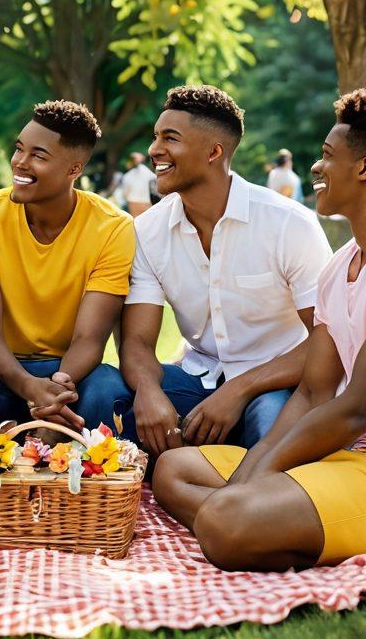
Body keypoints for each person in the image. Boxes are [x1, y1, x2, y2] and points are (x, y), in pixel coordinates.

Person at [153, 88, 366, 571]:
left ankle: (246, 522)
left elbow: (356, 410)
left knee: (225, 522)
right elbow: (312, 391)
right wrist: (254, 473)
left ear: (365, 169)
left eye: (328, 156)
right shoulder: (342, 266)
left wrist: (252, 481)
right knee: (172, 470)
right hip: (349, 457)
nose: (315, 167)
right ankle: (259, 518)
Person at [117, 86, 332, 460]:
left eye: (170, 138)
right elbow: (136, 341)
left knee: (272, 434)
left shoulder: (289, 224)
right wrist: (149, 392)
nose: (154, 150)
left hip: (278, 382)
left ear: (214, 152)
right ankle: (195, 467)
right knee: (107, 392)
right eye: (155, 137)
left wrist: (240, 389)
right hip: (198, 379)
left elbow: (330, 340)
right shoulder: (147, 231)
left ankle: (228, 476)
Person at [0, 100, 134, 444]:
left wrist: (56, 390)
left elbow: (90, 338)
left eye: (38, 155)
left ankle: (77, 478)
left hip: (70, 370)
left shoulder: (113, 228)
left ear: (73, 168)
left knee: (109, 393)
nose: (20, 162)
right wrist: (30, 387)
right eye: (19, 149)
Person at [120, 152, 157, 216]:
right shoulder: (151, 175)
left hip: (133, 203)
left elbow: (125, 193)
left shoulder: (127, 176)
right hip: (147, 203)